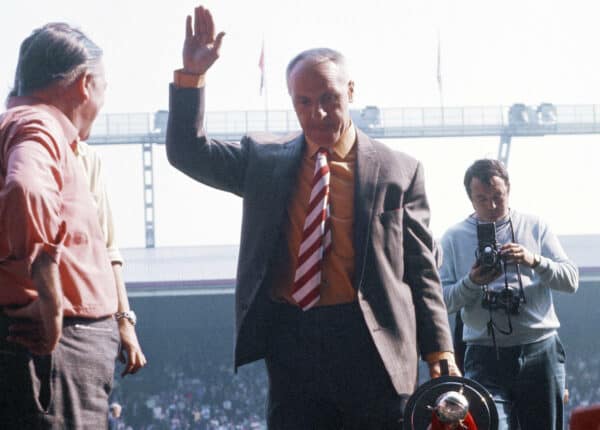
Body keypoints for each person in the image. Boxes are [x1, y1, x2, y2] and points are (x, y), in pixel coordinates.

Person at [166, 6, 458, 429]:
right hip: (293, 345)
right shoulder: (263, 161)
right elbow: (187, 152)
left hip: (373, 346)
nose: (317, 114)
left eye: (328, 100)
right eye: (303, 102)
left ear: (351, 92)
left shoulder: (399, 170)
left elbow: (421, 270)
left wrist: (440, 351)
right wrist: (192, 77)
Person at [0, 23, 120, 428]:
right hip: (55, 352)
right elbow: (26, 187)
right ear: (85, 84)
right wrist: (52, 306)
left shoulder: (19, 124)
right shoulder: (38, 124)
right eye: (104, 86)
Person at [440, 158, 578, 430]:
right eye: (481, 199)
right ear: (470, 199)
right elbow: (442, 300)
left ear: (509, 190)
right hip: (484, 354)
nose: (491, 206)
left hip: (540, 348)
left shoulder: (536, 226)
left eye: (497, 197)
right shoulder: (453, 237)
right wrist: (472, 282)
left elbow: (571, 280)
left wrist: (534, 261)